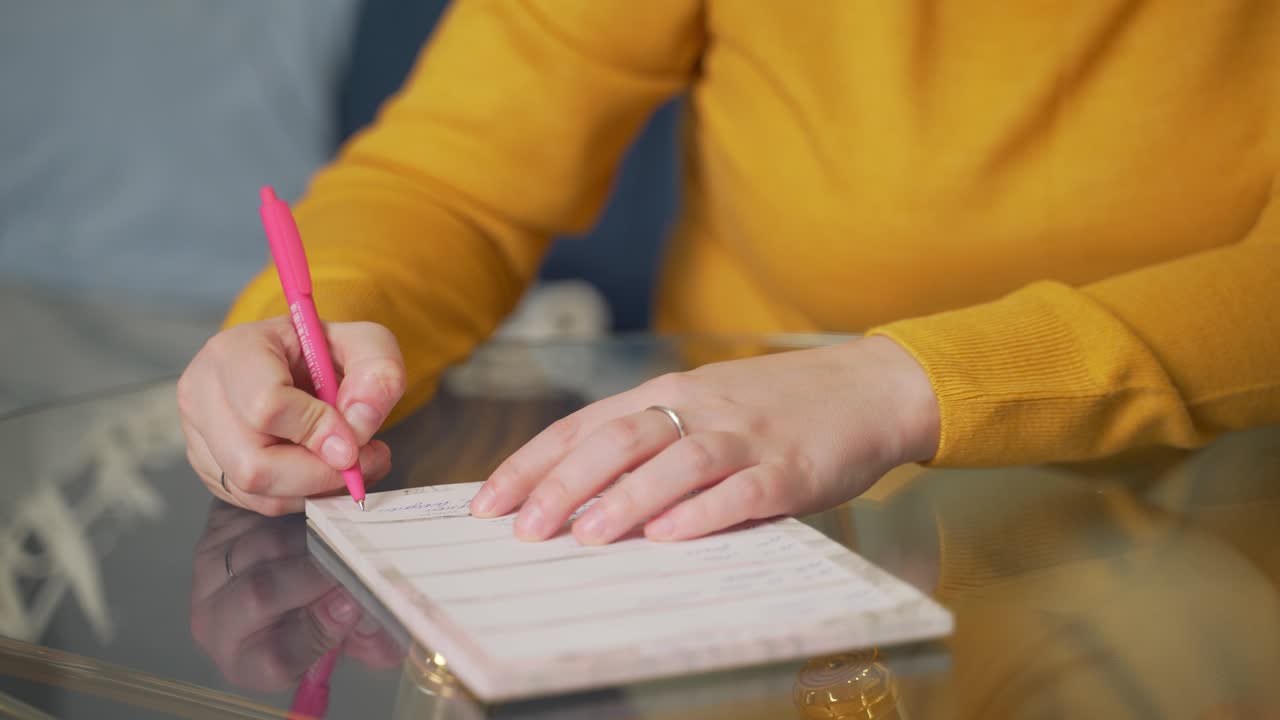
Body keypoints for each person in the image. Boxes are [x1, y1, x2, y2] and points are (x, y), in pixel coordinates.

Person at [177, 2, 1280, 545]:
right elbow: (454, 176)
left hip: (1226, 532)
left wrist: (904, 386)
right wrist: (314, 325)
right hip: (738, 540)